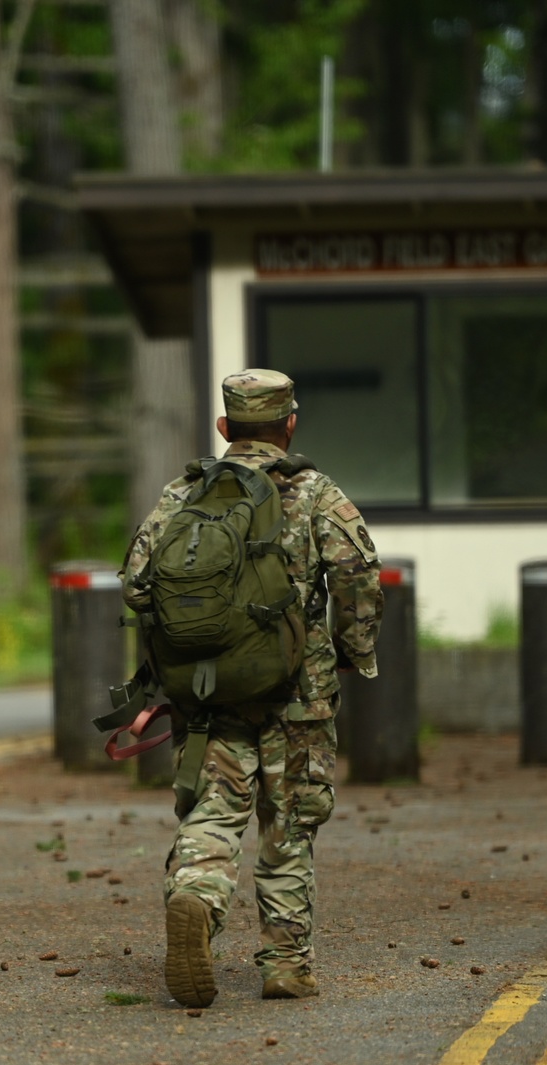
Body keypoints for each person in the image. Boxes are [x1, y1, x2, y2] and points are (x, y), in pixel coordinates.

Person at [120, 368, 383, 1005]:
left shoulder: (185, 493)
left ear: (223, 427)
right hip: (298, 689)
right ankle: (286, 965)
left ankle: (196, 897)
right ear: (290, 424)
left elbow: (136, 583)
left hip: (207, 692)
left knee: (213, 814)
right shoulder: (315, 491)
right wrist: (354, 653)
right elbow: (356, 574)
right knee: (289, 824)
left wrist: (161, 677)